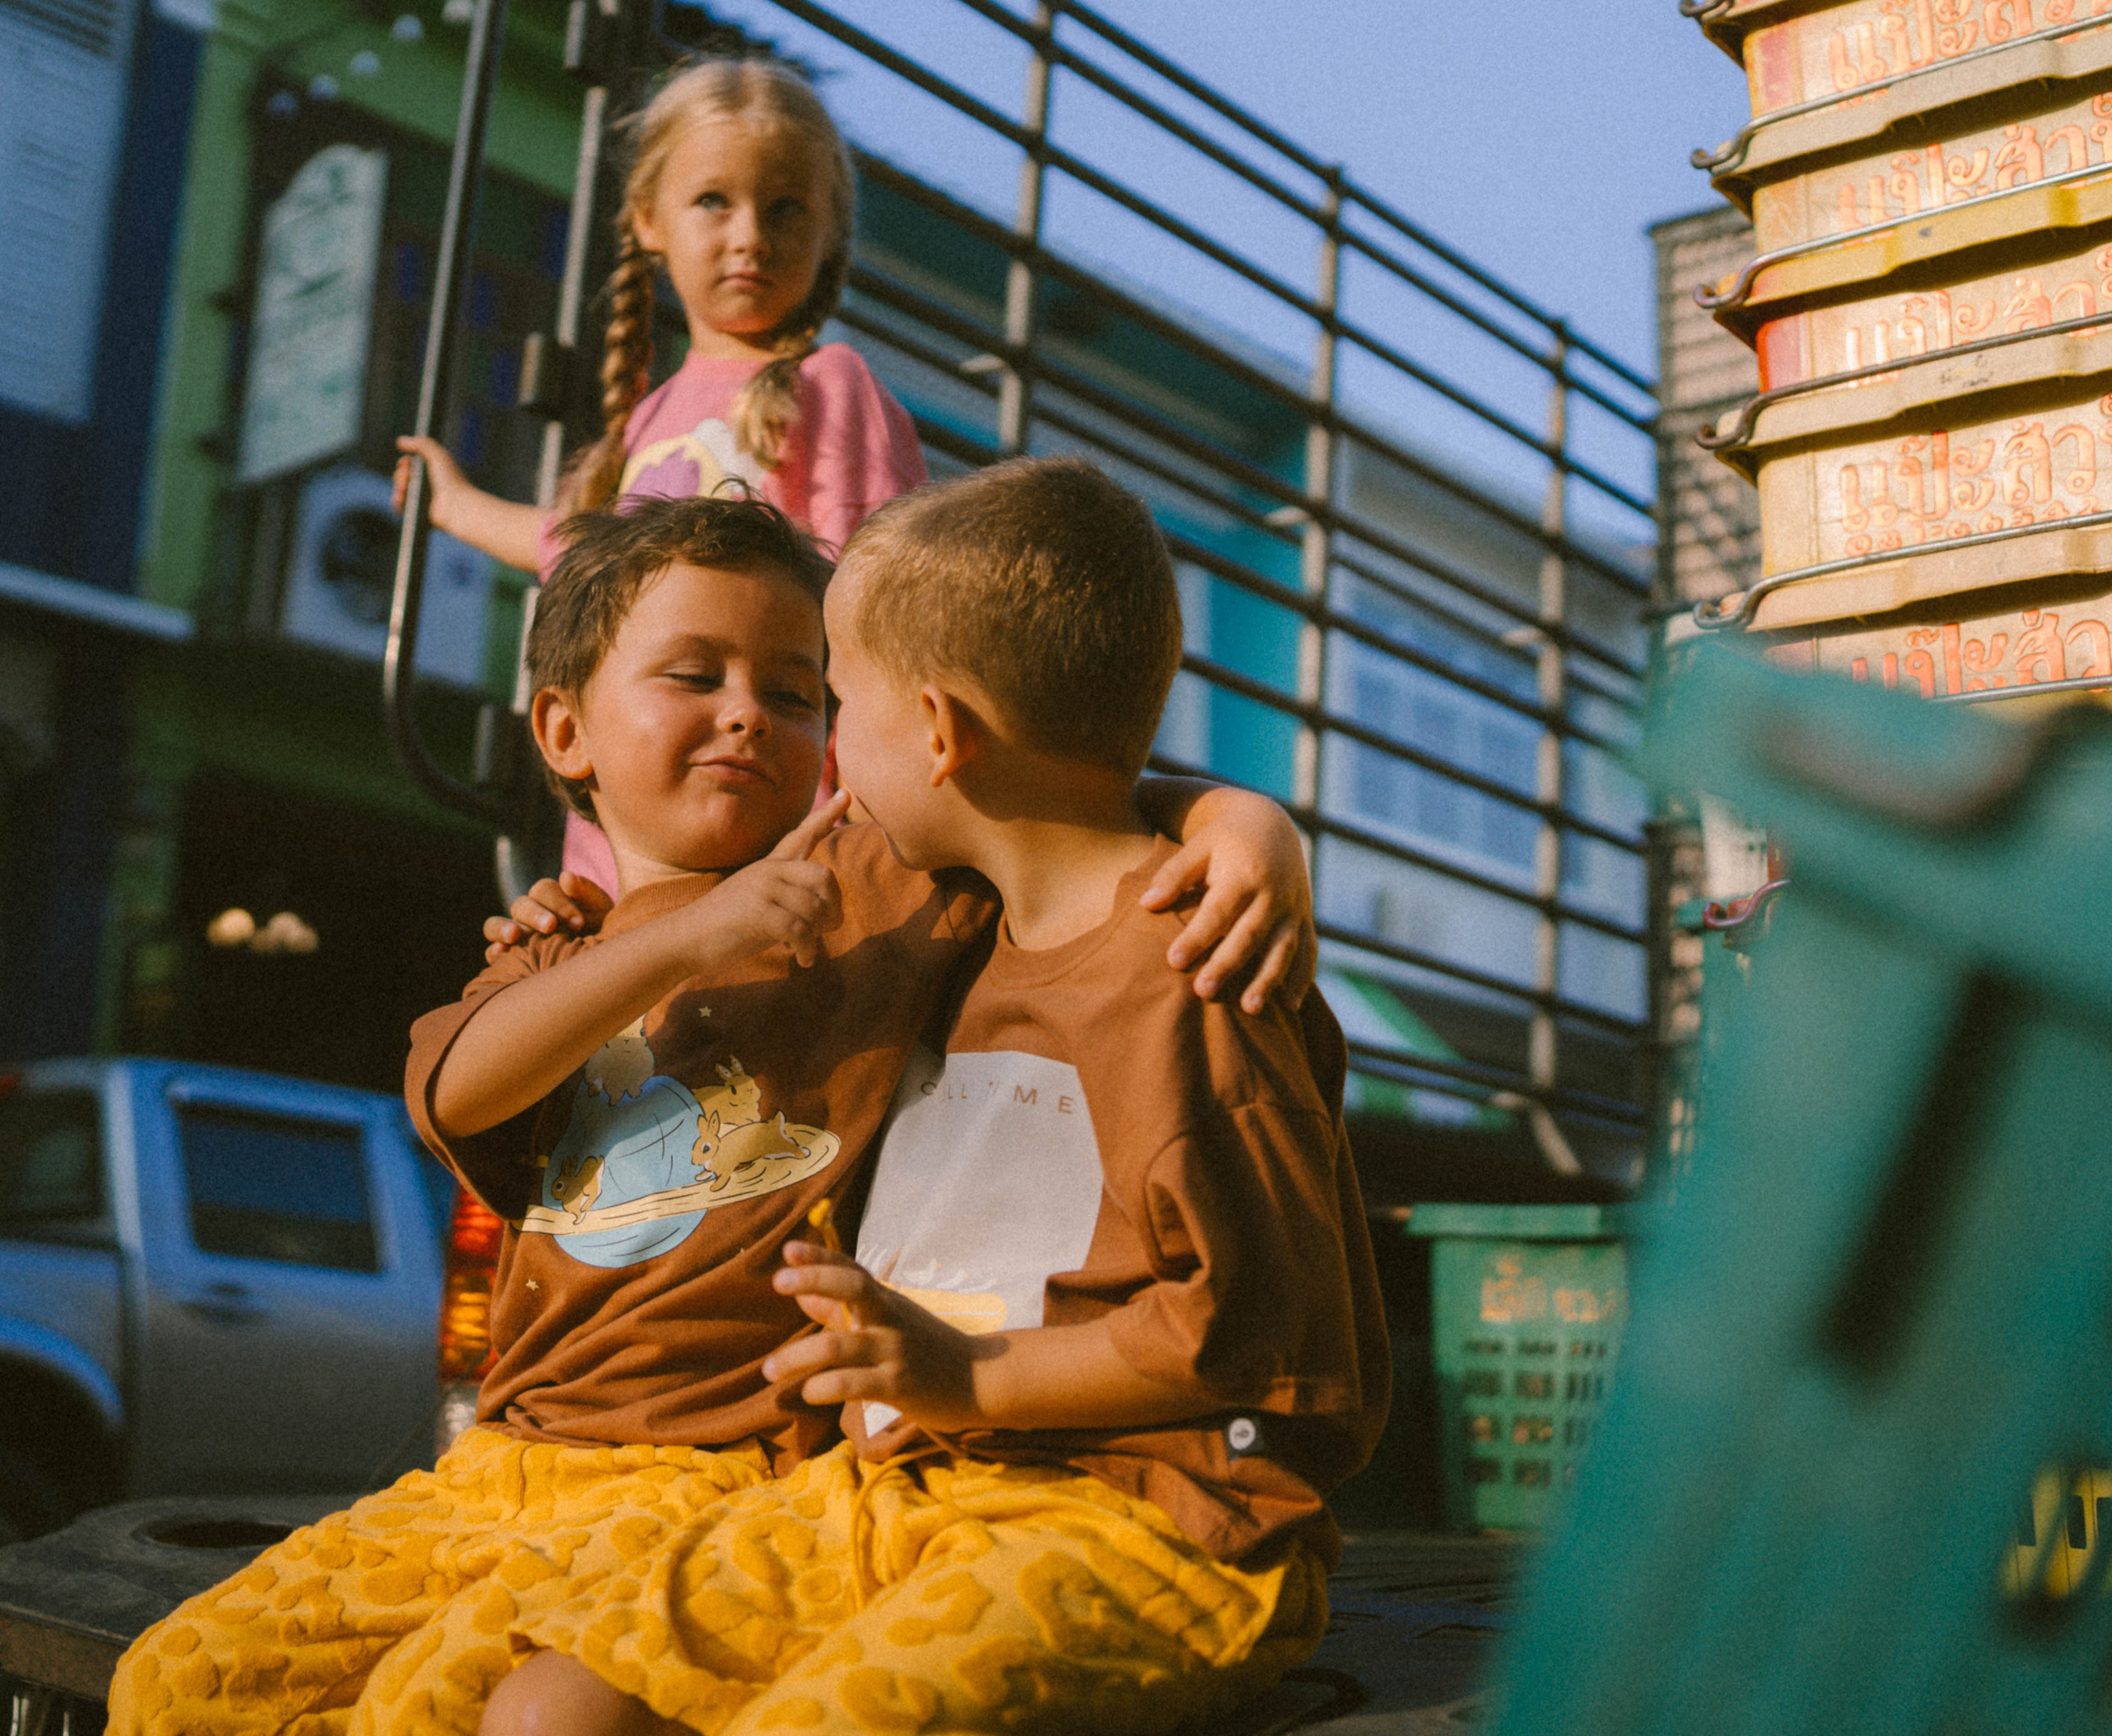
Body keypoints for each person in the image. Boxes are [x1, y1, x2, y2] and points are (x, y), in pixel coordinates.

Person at [105, 493, 1313, 1736]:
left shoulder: (875, 884)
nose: (749, 712)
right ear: (563, 730)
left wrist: (1242, 821)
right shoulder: (555, 951)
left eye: (800, 692)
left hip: (719, 1469)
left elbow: (1050, 770)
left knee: (440, 1708)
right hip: (503, 1466)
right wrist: (677, 940)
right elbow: (456, 1089)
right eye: (695, 675)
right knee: (176, 1682)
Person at [476, 459, 1389, 1736]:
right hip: (897, 1495)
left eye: (835, 701)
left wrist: (971, 1378)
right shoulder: (946, 926)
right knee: (546, 1710)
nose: (828, 757)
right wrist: (1243, 814)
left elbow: (1274, 1347)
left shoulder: (1193, 981)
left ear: (940, 734)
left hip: (1142, 1522)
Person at [394, 54, 926, 899]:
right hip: (621, 857)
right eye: (713, 200)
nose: (750, 234)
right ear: (648, 218)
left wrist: (850, 827)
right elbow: (570, 552)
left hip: (771, 832)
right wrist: (454, 506)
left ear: (830, 231)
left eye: (786, 207)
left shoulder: (831, 386)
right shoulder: (641, 424)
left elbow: (876, 612)